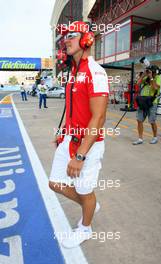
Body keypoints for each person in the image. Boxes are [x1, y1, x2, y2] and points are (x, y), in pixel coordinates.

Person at [49, 21, 109, 248]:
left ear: (87, 40)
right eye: (65, 36)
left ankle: (85, 228)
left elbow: (98, 118)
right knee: (55, 183)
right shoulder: (73, 72)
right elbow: (74, 110)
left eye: (71, 35)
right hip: (69, 140)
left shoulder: (96, 72)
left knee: (85, 189)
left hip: (88, 146)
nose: (66, 40)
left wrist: (81, 155)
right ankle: (89, 204)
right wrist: (63, 132)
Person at [133, 65, 161, 145]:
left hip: (152, 102)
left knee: (152, 121)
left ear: (155, 73)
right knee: (139, 120)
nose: (150, 73)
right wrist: (143, 75)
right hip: (143, 101)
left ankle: (155, 137)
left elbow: (155, 88)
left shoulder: (158, 78)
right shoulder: (146, 78)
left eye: (151, 72)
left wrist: (151, 77)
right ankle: (140, 138)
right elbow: (137, 84)